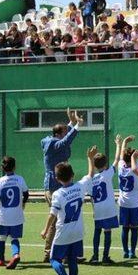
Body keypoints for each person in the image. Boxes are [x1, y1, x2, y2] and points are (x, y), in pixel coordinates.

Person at [40, 161, 90, 275]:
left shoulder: (58, 194)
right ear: (73, 175)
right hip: (78, 231)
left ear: (57, 179)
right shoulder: (80, 186)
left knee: (54, 259)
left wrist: (45, 230)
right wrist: (90, 159)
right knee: (72, 260)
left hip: (63, 232)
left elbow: (53, 214)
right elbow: (90, 174)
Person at [40, 109, 81, 262]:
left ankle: (63, 253)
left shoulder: (50, 140)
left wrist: (71, 123)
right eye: (66, 130)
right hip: (54, 186)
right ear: (59, 133)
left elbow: (64, 136)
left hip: (55, 185)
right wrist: (78, 125)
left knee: (61, 220)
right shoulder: (54, 143)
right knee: (56, 221)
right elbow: (66, 141)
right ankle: (49, 253)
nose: (67, 132)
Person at [85, 141, 120, 265]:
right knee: (107, 231)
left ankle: (95, 256)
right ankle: (105, 257)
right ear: (105, 164)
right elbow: (117, 159)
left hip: (98, 209)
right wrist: (118, 145)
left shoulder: (91, 179)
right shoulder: (107, 173)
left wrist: (94, 209)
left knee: (97, 231)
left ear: (94, 166)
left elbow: (91, 197)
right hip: (109, 208)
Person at [117, 133, 138, 259]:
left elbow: (122, 154)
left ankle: (125, 251)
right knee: (134, 228)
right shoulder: (136, 166)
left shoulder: (121, 166)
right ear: (133, 158)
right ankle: (132, 251)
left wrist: (125, 142)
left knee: (125, 228)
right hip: (135, 203)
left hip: (123, 203)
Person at [0, 156, 29, 269]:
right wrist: (23, 203)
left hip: (4, 215)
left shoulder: (0, 181)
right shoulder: (20, 179)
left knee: (1, 237)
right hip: (17, 214)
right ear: (14, 167)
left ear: (2, 168)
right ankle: (16, 254)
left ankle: (0, 260)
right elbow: (26, 193)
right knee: (14, 238)